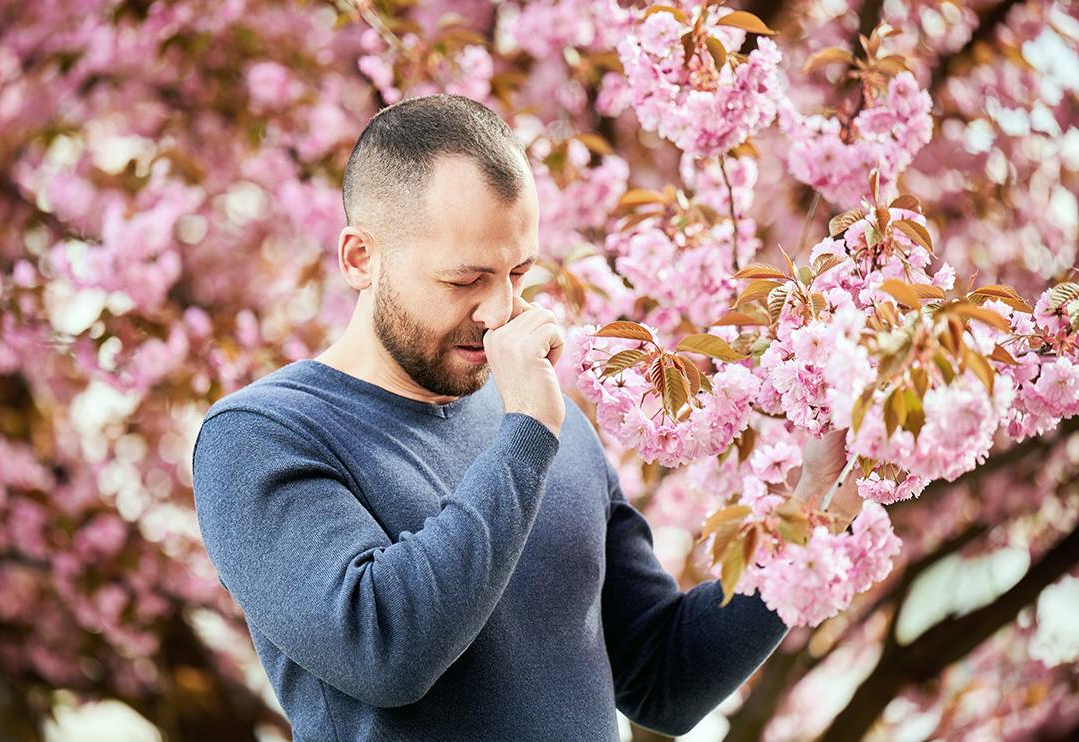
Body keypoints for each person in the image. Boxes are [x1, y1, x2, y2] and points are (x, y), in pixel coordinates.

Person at [191, 93, 858, 741]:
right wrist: (528, 436)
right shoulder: (260, 436)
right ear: (360, 258)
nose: (499, 310)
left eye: (519, 272)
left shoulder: (550, 425)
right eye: (465, 279)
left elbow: (665, 679)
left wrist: (814, 503)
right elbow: (384, 650)